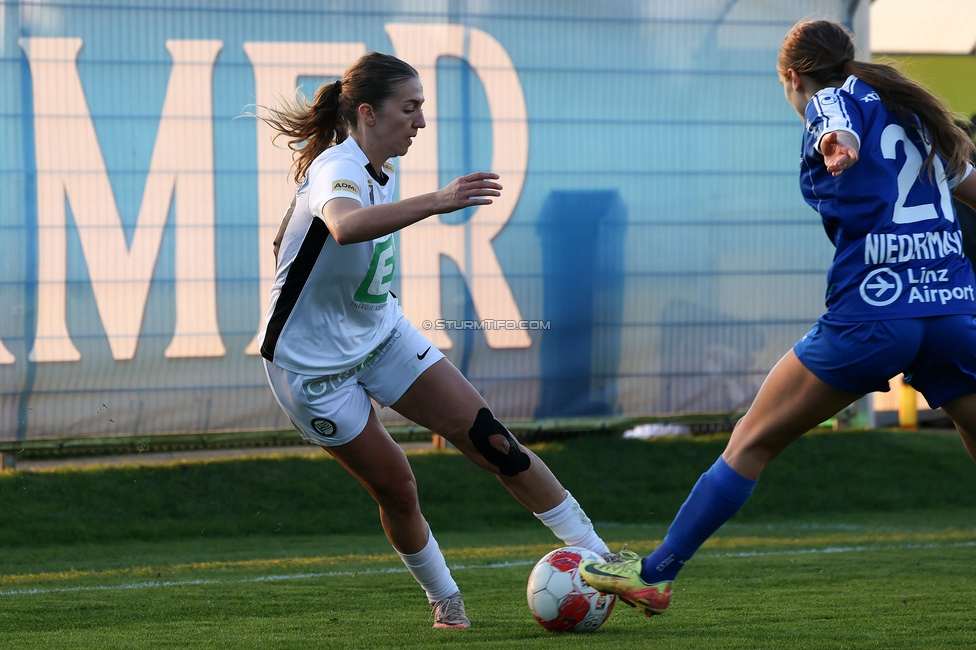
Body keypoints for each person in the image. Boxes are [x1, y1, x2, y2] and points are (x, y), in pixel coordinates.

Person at [580, 19, 976, 618]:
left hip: (873, 313)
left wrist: (836, 139)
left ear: (791, 75)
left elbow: (831, 111)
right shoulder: (914, 117)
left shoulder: (832, 97)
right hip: (950, 307)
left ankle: (656, 574)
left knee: (751, 441)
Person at [255, 51, 613, 629]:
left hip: (380, 334)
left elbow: (299, 243)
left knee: (492, 440)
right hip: (311, 371)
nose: (421, 120)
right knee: (398, 487)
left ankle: (600, 558)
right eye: (411, 107)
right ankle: (446, 601)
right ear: (368, 113)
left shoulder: (376, 169)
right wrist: (440, 201)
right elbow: (344, 226)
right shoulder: (336, 167)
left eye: (422, 107)